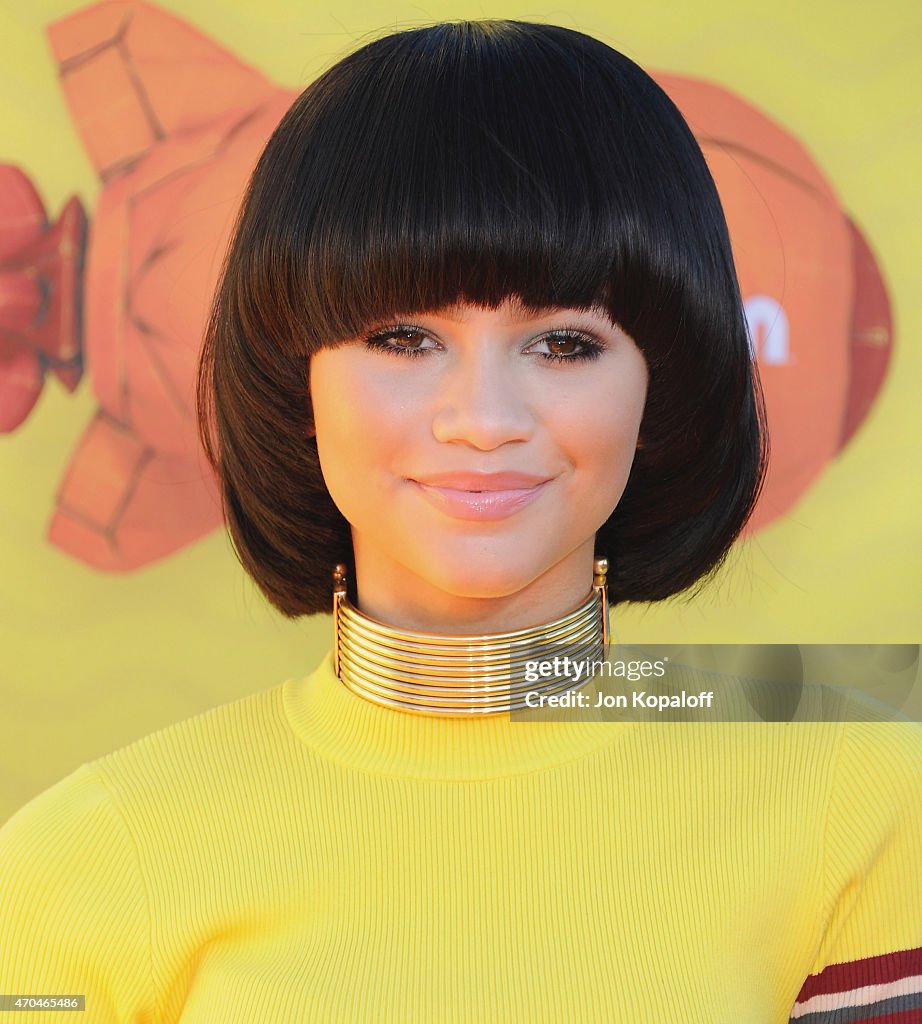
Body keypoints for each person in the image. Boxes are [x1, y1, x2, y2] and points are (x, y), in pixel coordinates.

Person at [1, 19, 920, 1023]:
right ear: (293, 381)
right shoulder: (84, 858)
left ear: (666, 383)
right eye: (403, 338)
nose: (483, 419)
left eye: (565, 344)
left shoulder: (862, 792)